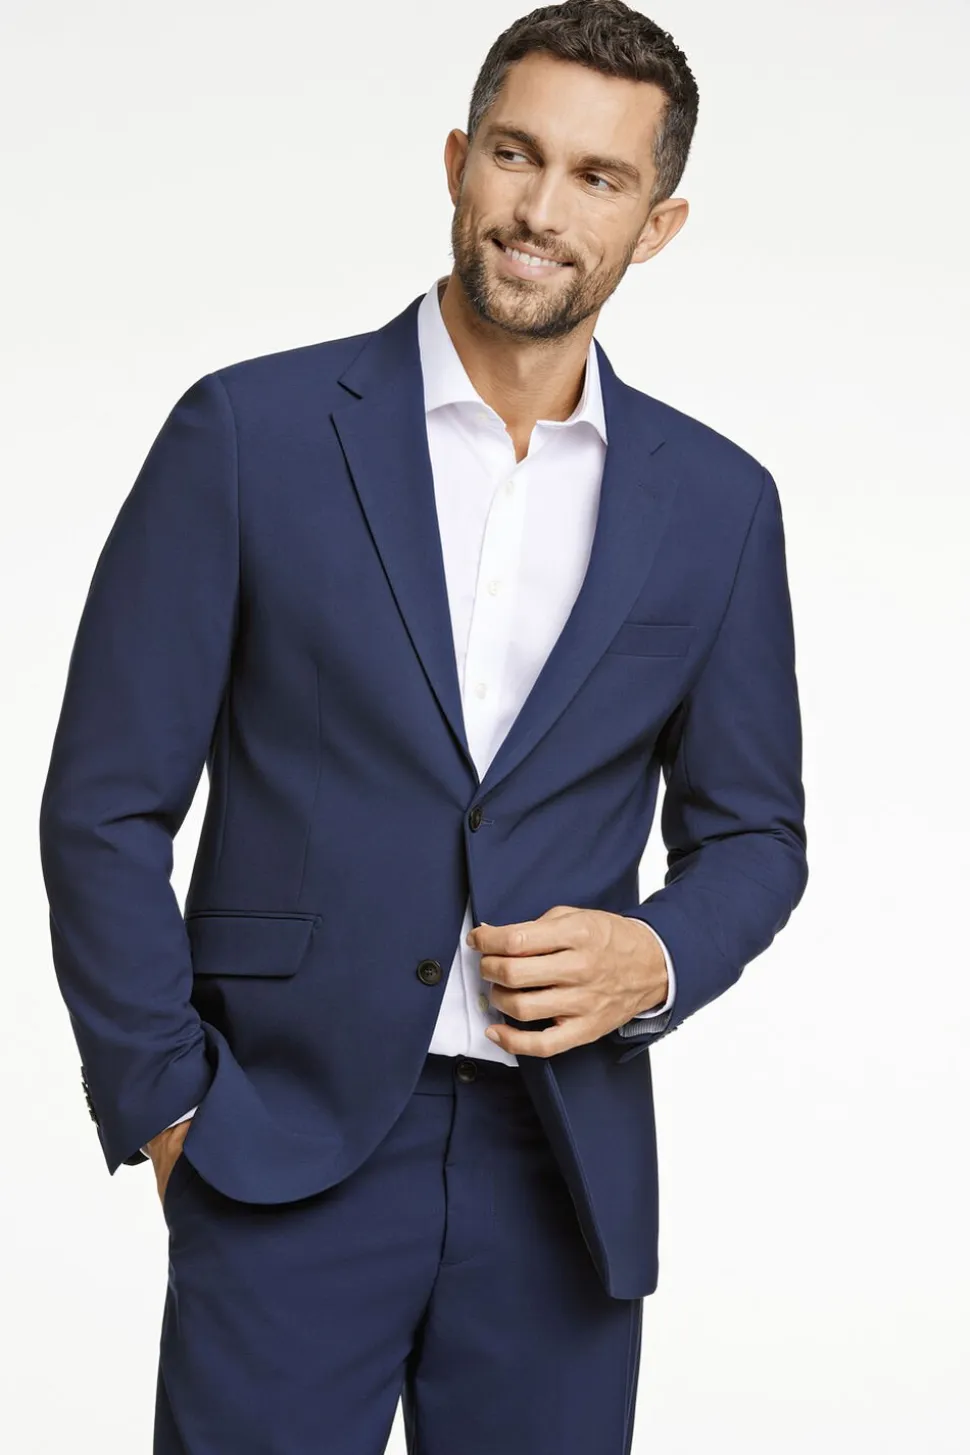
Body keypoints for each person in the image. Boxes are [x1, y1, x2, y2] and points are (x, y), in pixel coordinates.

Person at [38, 2, 808, 1450]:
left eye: (597, 176)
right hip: (280, 1143)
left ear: (655, 225)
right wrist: (168, 1106)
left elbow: (756, 832)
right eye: (516, 154)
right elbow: (103, 803)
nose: (541, 209)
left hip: (562, 1173)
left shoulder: (717, 504)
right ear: (458, 161)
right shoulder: (249, 434)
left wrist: (654, 956)